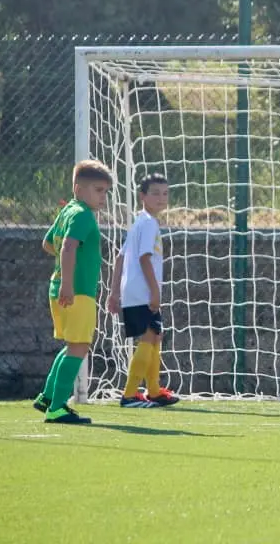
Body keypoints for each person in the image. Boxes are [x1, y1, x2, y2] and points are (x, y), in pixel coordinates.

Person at [34, 160, 113, 424]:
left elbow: (48, 243)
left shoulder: (68, 210)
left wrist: (64, 272)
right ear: (79, 190)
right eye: (98, 190)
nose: (103, 197)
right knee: (79, 346)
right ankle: (57, 407)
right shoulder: (81, 214)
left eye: (105, 192)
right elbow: (67, 247)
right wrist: (69, 281)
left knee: (73, 345)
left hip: (59, 287)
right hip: (76, 291)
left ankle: (47, 396)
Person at [106, 172, 179, 408]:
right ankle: (129, 395)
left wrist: (114, 292)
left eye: (165, 193)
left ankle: (154, 391)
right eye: (155, 193)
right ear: (142, 196)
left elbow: (119, 259)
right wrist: (155, 291)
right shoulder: (148, 223)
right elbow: (144, 258)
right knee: (150, 336)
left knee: (156, 335)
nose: (161, 198)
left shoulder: (140, 222)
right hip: (143, 292)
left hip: (134, 292)